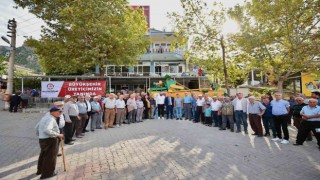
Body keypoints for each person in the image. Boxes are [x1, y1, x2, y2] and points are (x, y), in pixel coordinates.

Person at [35, 106, 64, 179]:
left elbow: (36, 127)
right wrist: (58, 134)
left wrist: (40, 135)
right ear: (52, 112)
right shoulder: (50, 119)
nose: (60, 114)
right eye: (59, 112)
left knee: (43, 155)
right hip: (50, 140)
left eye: (61, 112)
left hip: (43, 139)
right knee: (50, 157)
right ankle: (47, 174)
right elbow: (47, 130)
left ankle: (40, 170)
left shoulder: (45, 117)